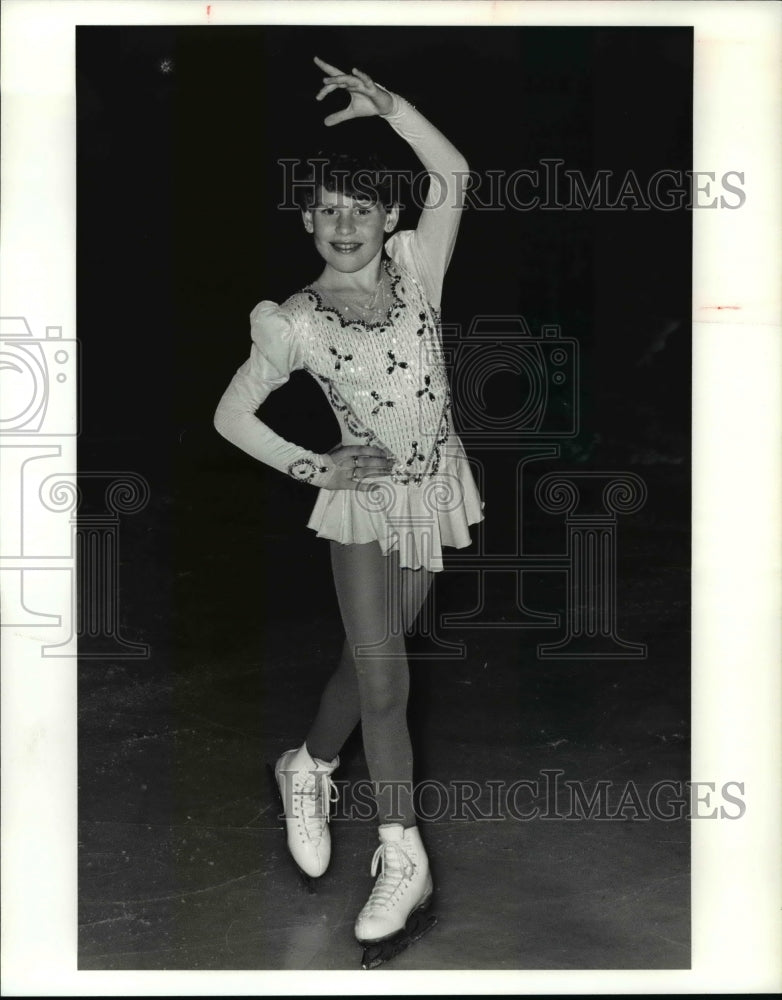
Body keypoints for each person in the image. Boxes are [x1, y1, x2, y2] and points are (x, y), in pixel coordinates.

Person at [214, 55, 483, 964]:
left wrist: (394, 109)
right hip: (364, 508)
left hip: (431, 493)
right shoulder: (295, 319)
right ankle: (404, 857)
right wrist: (314, 467)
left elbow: (456, 176)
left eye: (359, 209)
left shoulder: (419, 266)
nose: (341, 225)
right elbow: (230, 415)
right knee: (385, 682)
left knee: (364, 666)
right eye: (325, 210)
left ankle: (309, 767)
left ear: (389, 220)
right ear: (307, 219)